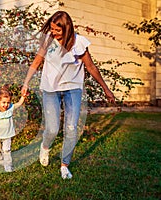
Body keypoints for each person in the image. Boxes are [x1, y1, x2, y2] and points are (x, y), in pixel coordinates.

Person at [21, 11, 115, 179]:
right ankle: (45, 146)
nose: (54, 32)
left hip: (73, 88)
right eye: (51, 28)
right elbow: (36, 62)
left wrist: (106, 88)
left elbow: (91, 67)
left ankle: (65, 165)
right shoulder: (48, 41)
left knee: (71, 129)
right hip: (50, 88)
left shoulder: (79, 43)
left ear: (67, 29)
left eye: (57, 30)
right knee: (52, 128)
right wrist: (26, 82)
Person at [0, 85, 25, 172]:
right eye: (4, 102)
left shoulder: (10, 108)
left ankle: (8, 166)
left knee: (7, 150)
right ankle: (0, 161)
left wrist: (23, 96)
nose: (6, 105)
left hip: (7, 135)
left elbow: (19, 103)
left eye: (8, 102)